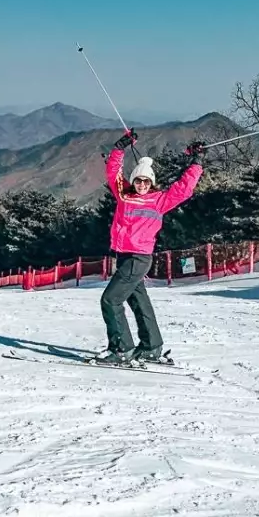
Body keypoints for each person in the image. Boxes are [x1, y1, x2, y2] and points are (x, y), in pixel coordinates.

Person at [95, 132, 204, 366]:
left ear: (151, 182)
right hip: (125, 256)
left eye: (146, 181)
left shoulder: (159, 200)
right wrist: (119, 148)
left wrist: (196, 162)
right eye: (138, 181)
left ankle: (121, 349)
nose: (142, 185)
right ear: (133, 182)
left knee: (110, 300)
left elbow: (184, 189)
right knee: (138, 300)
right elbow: (113, 172)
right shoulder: (124, 195)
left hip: (138, 257)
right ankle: (151, 346)